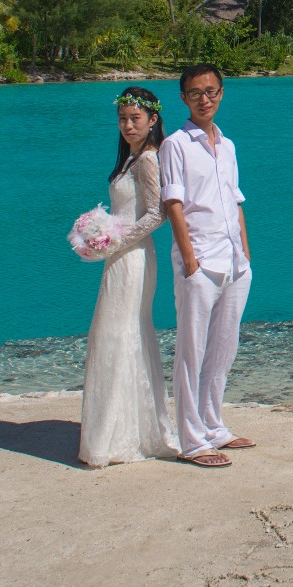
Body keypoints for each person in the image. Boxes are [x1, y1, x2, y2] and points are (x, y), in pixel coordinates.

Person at [159, 63, 256, 467]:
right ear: (184, 98)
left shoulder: (228, 145)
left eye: (212, 91)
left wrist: (246, 256)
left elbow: (235, 200)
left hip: (234, 261)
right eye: (196, 93)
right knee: (191, 352)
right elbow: (173, 204)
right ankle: (193, 440)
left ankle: (215, 426)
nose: (205, 99)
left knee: (224, 348)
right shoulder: (176, 145)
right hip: (199, 262)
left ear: (221, 93)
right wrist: (190, 261)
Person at [77, 86, 179, 467]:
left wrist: (114, 241)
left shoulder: (149, 159)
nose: (128, 126)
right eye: (122, 119)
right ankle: (120, 428)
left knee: (122, 333)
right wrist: (99, 231)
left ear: (153, 120)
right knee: (114, 334)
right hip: (120, 256)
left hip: (133, 257)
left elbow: (157, 213)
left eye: (135, 119)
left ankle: (124, 435)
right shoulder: (129, 159)